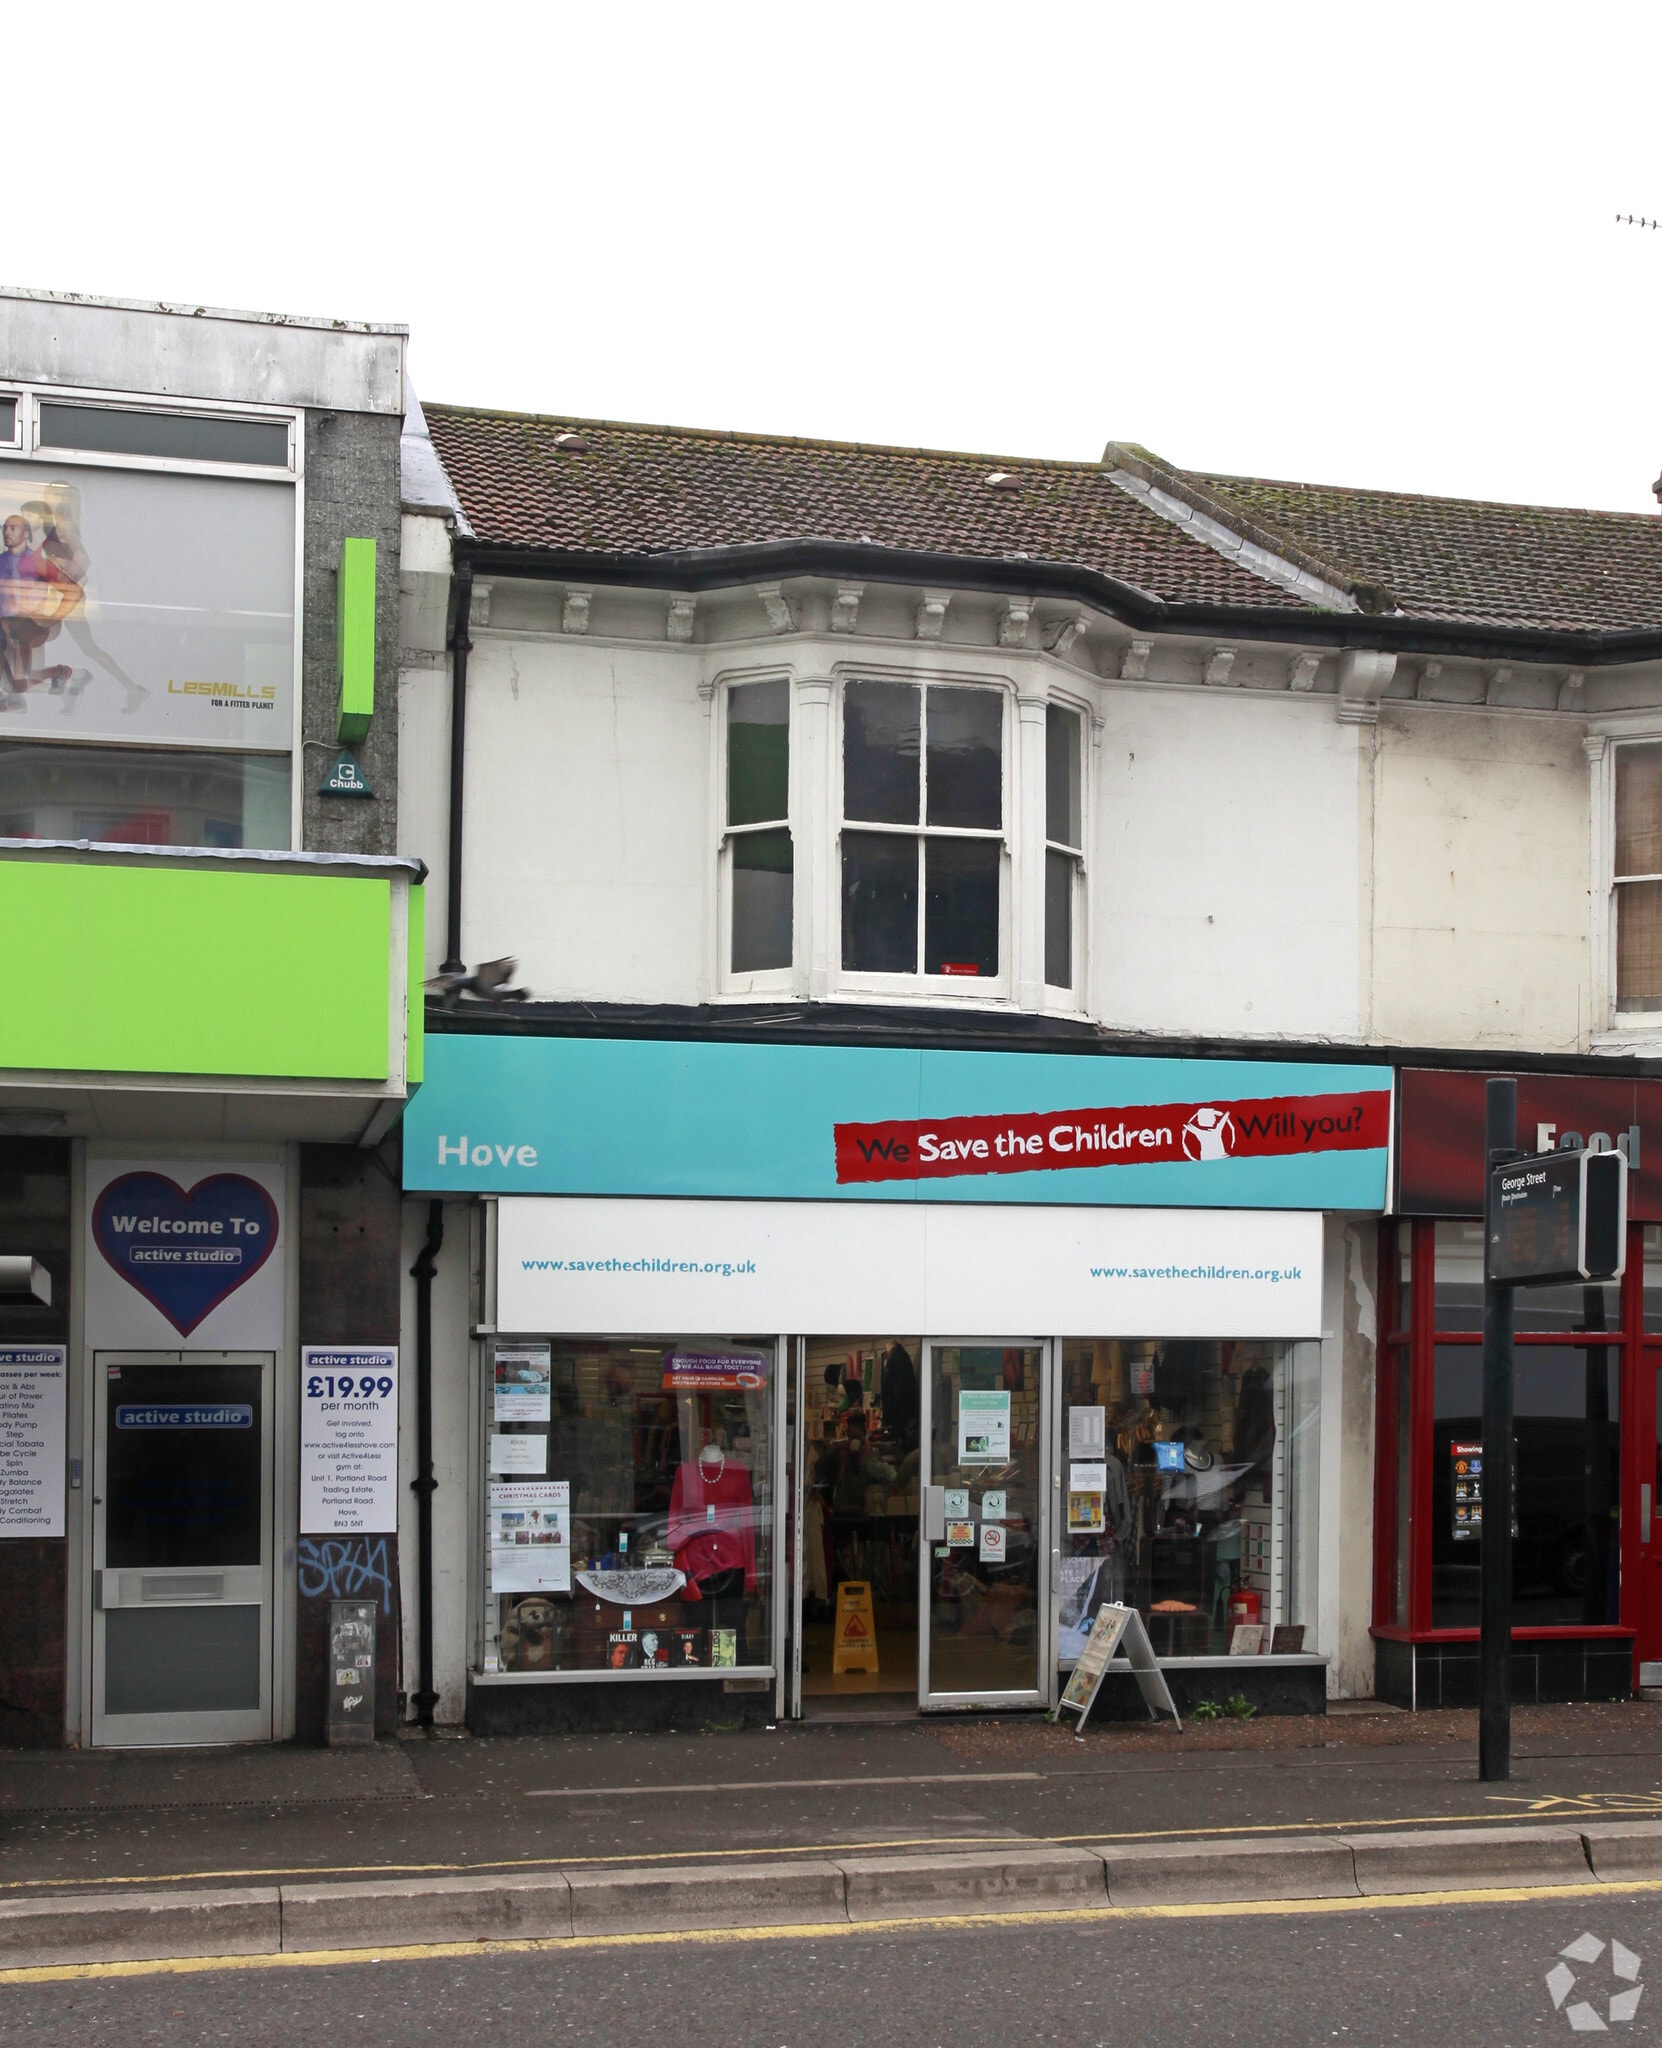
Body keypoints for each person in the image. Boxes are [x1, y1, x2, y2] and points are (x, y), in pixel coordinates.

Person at [23, 485, 148, 716]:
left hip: (64, 597)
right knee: (66, 650)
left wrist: (67, 579)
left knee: (80, 647)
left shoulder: (62, 525)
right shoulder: (45, 528)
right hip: (55, 596)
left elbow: (84, 559)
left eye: (57, 494)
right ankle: (82, 684)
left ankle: (118, 686)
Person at [0, 511, 78, 707]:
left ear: (26, 534)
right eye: (5, 528)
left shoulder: (38, 563)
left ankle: (54, 675)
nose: (6, 532)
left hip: (28, 626)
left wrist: (54, 617)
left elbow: (73, 592)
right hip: (6, 627)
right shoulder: (1, 561)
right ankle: (54, 675)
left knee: (17, 682)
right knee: (14, 682)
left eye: (12, 528)